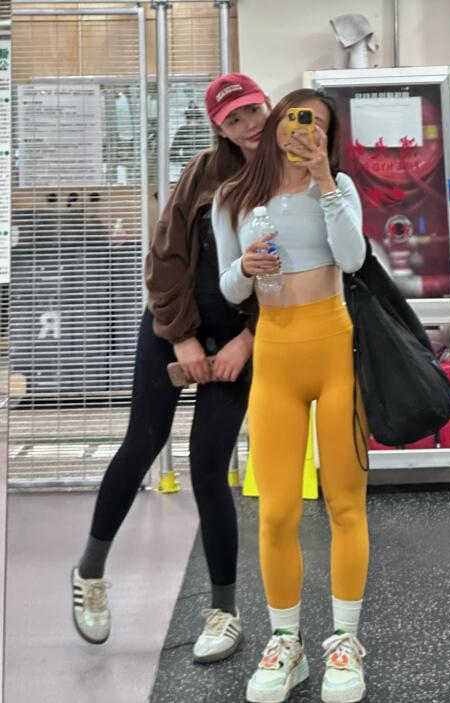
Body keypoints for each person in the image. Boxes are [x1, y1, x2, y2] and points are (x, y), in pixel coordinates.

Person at [71, 73, 271, 665]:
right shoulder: (203, 172)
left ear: (268, 105)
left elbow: (299, 272)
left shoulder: (287, 173)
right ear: (219, 128)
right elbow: (166, 258)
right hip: (171, 327)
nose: (249, 125)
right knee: (143, 442)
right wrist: (181, 337)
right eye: (234, 119)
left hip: (240, 341)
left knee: (210, 464)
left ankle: (224, 612)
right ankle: (90, 573)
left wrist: (248, 341)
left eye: (253, 110)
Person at [212, 89, 370, 703]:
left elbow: (353, 258)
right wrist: (245, 269)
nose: (300, 130)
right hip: (275, 355)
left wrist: (325, 180)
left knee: (345, 505)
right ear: (276, 123)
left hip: (335, 348)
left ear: (329, 136)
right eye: (293, 119)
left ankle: (345, 642)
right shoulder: (233, 196)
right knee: (276, 511)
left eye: (316, 124)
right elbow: (229, 290)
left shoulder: (339, 185)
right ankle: (287, 643)